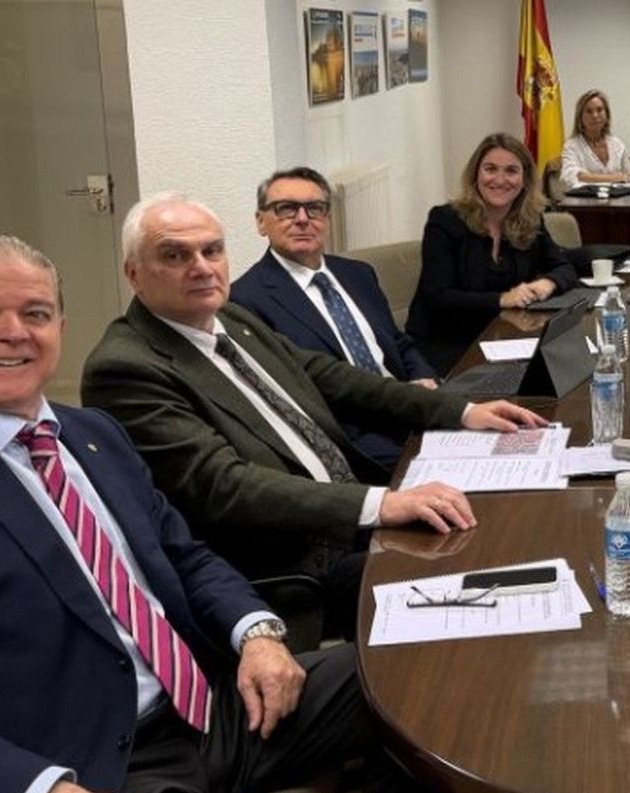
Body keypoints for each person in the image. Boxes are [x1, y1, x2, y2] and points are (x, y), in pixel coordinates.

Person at [0, 235, 387, 793]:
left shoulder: (94, 434)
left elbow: (185, 556)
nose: (13, 332)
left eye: (36, 313)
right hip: (98, 767)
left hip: (215, 707)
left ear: (60, 328)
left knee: (409, 671)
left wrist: (256, 635)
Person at [83, 192, 546, 637]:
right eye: (175, 256)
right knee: (489, 576)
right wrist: (382, 504)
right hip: (299, 562)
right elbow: (223, 485)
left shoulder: (232, 320)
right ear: (133, 274)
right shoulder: (126, 368)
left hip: (352, 514)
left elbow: (333, 378)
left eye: (212, 250)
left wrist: (461, 410)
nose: (202, 267)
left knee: (515, 523)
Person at [230, 167, 438, 470]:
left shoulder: (358, 273)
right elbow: (296, 399)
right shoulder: (245, 300)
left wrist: (424, 379)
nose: (303, 219)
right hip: (356, 439)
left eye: (314, 208)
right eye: (286, 208)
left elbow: (398, 342)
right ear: (261, 221)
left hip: (414, 407)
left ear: (327, 218)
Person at [405, 133, 578, 374]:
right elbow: (438, 297)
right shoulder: (445, 221)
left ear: (525, 179)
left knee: (565, 370)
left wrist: (548, 283)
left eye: (511, 171)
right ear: (476, 174)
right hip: (447, 345)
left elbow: (564, 267)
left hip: (505, 339)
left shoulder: (530, 220)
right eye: (490, 169)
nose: (500, 179)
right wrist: (502, 299)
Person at [558, 89, 630, 189]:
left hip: (618, 198)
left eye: (599, 110)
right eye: (589, 111)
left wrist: (591, 178)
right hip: (585, 198)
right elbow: (572, 176)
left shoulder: (617, 145)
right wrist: (614, 178)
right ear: (580, 117)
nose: (595, 115)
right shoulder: (572, 146)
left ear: (607, 115)